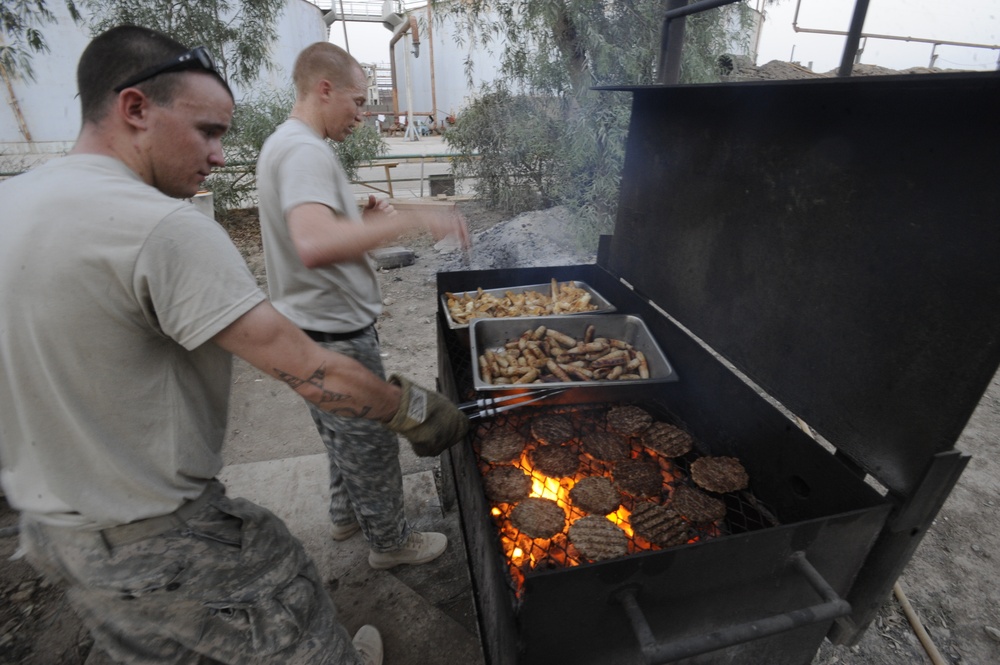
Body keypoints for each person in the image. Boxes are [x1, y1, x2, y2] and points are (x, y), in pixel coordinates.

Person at [0, 25, 468, 665]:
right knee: (292, 618)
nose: (221, 156)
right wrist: (411, 410)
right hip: (159, 529)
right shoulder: (162, 227)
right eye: (208, 132)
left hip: (52, 532)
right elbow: (302, 366)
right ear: (135, 108)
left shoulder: (13, 200)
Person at [256, 42, 469, 571]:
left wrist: (353, 207)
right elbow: (312, 244)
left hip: (307, 327)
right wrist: (416, 217)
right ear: (323, 90)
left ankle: (345, 514)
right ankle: (391, 545)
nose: (362, 113)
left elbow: (303, 220)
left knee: (339, 433)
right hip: (335, 333)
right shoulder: (305, 150)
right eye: (357, 100)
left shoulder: (284, 143)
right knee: (372, 443)